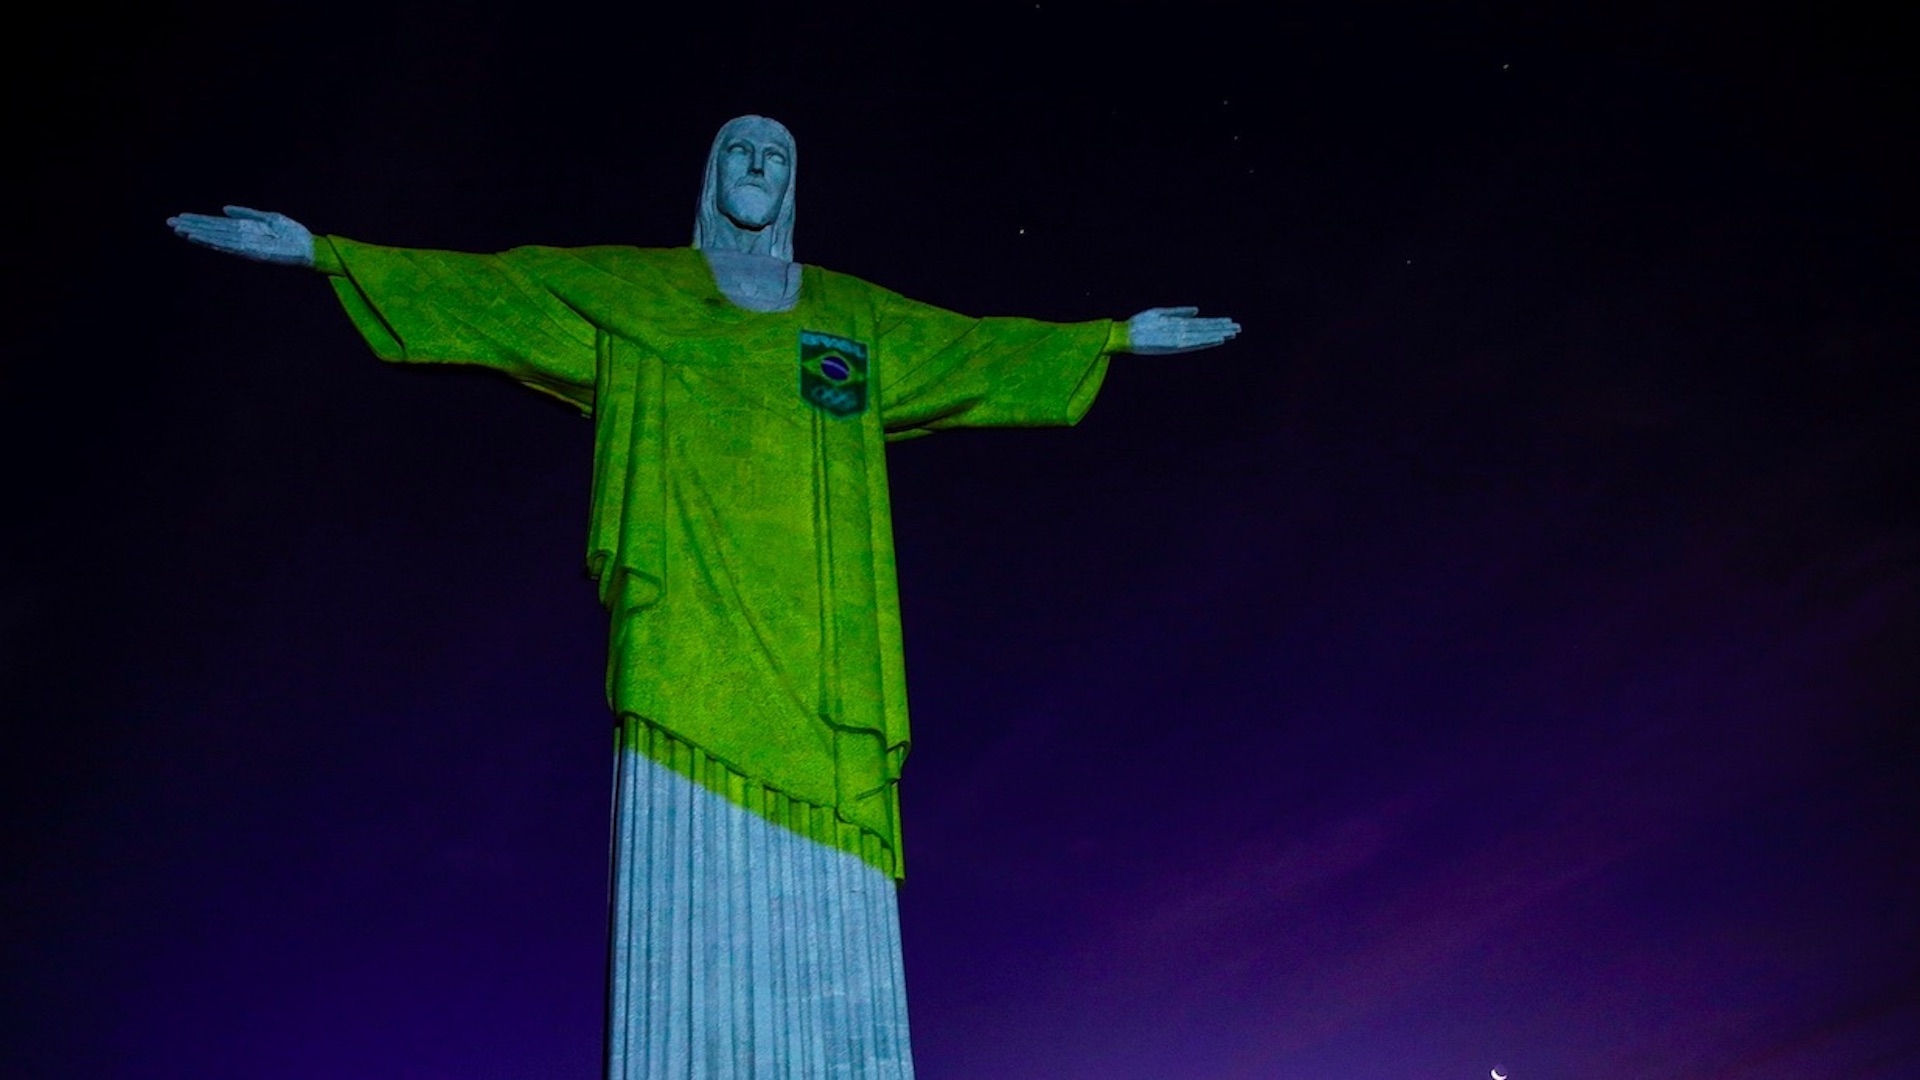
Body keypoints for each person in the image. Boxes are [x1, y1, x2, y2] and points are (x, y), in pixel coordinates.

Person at [169, 113, 1238, 1078]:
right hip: (689, 638)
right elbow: (497, 291)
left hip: (826, 661)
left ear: (795, 184)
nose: (760, 166)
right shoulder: (639, 295)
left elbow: (972, 347)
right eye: (741, 150)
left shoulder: (849, 319)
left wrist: (1113, 337)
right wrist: (324, 253)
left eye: (778, 154)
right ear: (711, 173)